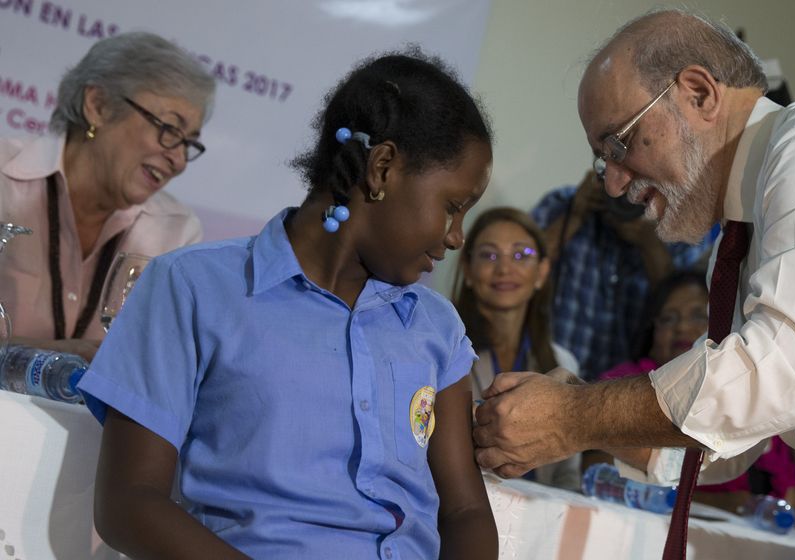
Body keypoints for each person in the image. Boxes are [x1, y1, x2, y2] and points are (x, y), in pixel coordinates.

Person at [77, 49, 498, 559]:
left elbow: (465, 513)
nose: (456, 238)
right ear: (382, 168)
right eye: (453, 208)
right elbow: (129, 502)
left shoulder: (436, 327)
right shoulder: (192, 288)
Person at [473, 7, 795, 515]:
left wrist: (573, 415)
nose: (612, 183)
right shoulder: (735, 243)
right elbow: (722, 438)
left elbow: (783, 372)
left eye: (619, 143)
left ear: (698, 93)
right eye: (601, 160)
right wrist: (577, 411)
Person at [0, 32, 214, 362]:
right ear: (98, 106)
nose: (180, 161)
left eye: (189, 144)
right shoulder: (4, 179)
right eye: (169, 130)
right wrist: (50, 356)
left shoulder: (176, 232)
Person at [594, 271, 795, 517]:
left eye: (698, 316)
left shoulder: (752, 394)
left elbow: (792, 502)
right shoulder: (621, 383)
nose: (682, 327)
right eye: (669, 319)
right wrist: (723, 504)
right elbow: (598, 468)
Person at [532, 170, 713, 380]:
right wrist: (575, 216)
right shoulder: (563, 205)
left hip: (635, 386)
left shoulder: (677, 223)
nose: (623, 192)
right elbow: (522, 272)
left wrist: (650, 244)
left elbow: (684, 303)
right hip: (551, 376)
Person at [452, 206, 581, 489]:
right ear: (468, 270)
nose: (505, 268)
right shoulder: (444, 353)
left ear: (542, 272)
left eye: (521, 255)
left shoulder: (563, 362)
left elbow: (566, 475)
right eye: (489, 255)